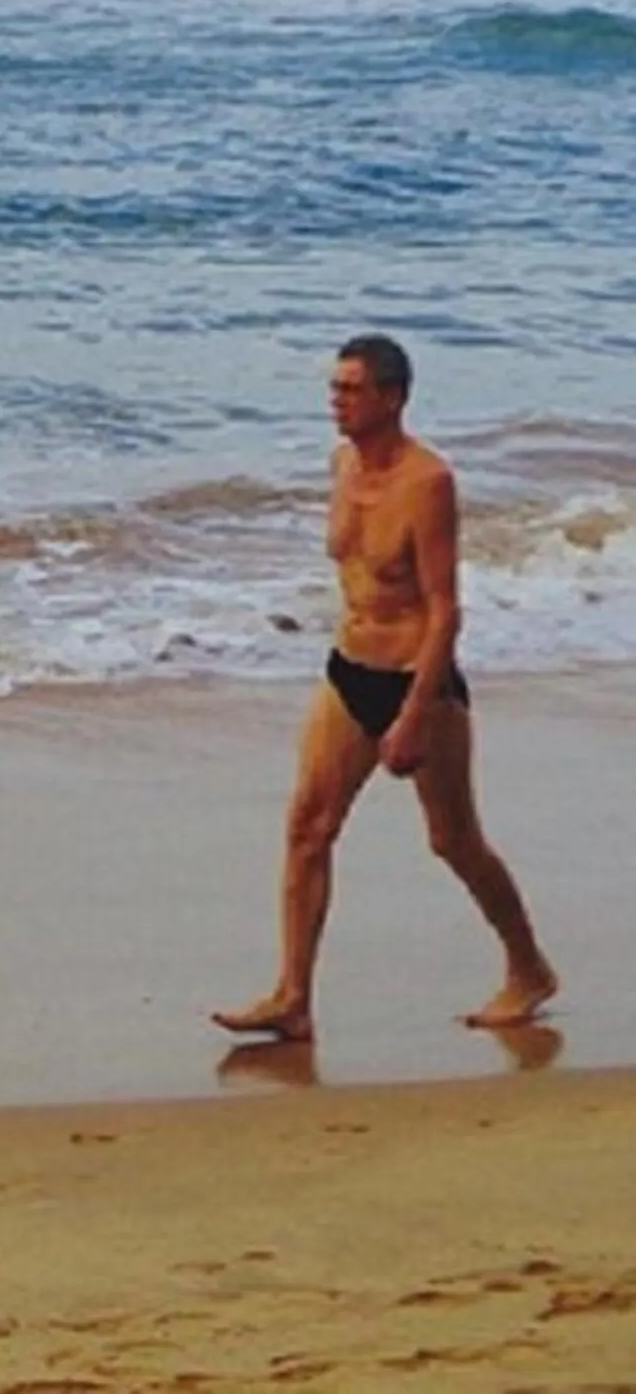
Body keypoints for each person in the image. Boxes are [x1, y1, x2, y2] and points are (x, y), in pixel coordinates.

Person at [213, 337, 558, 1046]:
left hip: (416, 681)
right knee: (308, 828)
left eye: (351, 389)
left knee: (453, 840)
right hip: (350, 671)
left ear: (392, 397)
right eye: (334, 388)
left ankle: (529, 969)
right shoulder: (341, 464)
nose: (335, 401)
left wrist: (413, 715)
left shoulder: (428, 481)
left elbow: (444, 610)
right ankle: (293, 998)